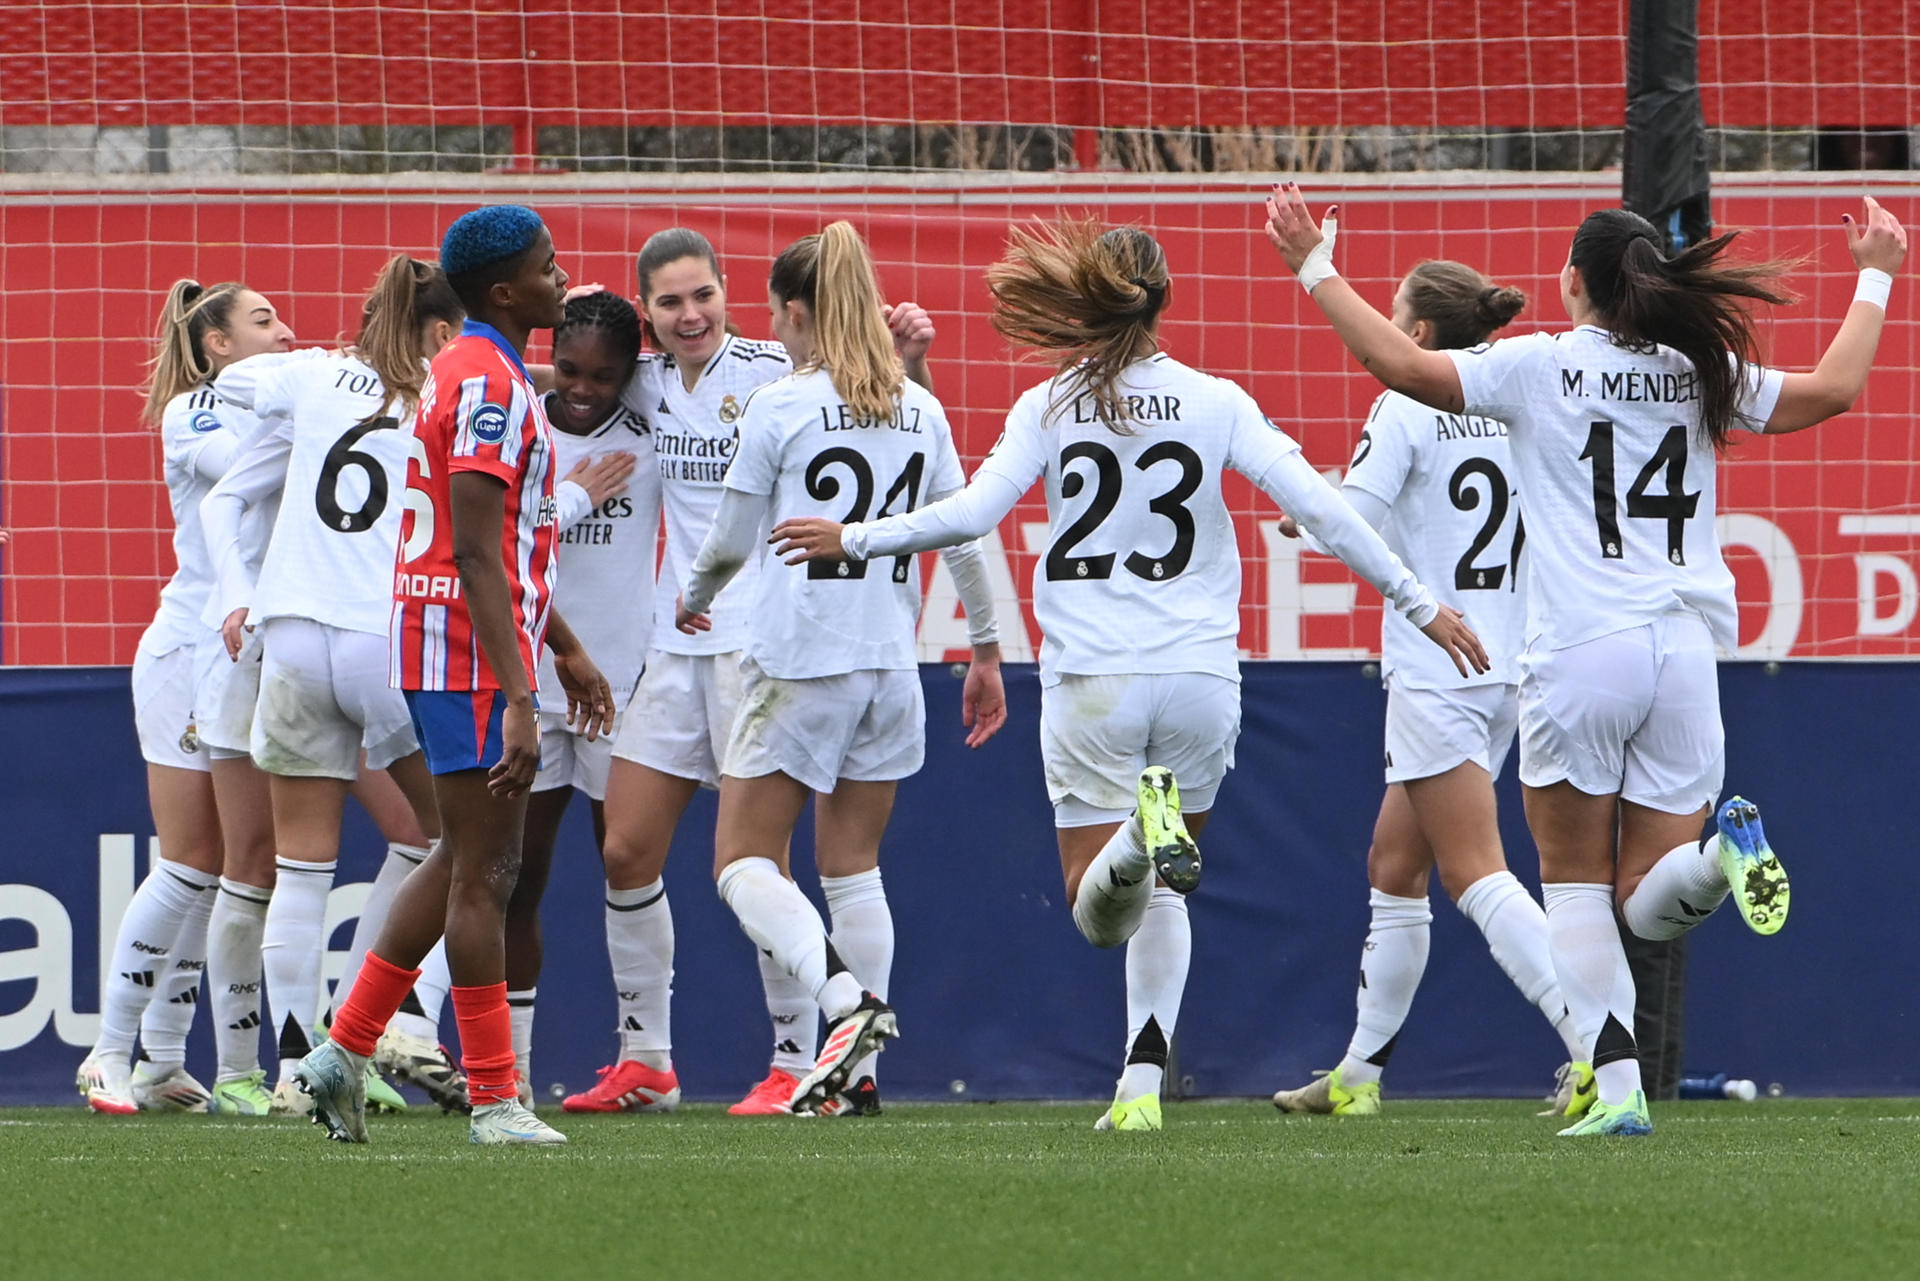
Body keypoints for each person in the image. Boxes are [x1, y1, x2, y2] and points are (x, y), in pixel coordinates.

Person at [772, 218, 1485, 1131]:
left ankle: (1138, 866)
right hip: (1199, 681)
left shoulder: (1051, 403)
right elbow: (1323, 507)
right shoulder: (1215, 398)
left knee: (1097, 909)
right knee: (1162, 890)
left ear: (1089, 296)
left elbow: (968, 513)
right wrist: (1423, 604)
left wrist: (855, 536)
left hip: (1094, 683)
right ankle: (1141, 1083)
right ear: (1164, 302)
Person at [1264, 181, 1906, 1135]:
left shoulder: (1538, 365)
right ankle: (1720, 865)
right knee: (1648, 899)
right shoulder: (1701, 369)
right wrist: (1876, 280)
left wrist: (1311, 263)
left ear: (1572, 282)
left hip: (1578, 649)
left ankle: (1617, 1092)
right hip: (1686, 650)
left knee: (1571, 884)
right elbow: (1834, 392)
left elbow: (1401, 362)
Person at [564, 228, 939, 1117]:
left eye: (703, 296)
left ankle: (795, 1058)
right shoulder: (644, 383)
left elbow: (891, 427)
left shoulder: (777, 370)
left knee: (756, 856)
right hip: (674, 639)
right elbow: (565, 380)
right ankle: (646, 1059)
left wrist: (910, 359)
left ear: (730, 295)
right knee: (624, 847)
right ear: (647, 313)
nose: (690, 315)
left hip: (761, 643)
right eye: (669, 302)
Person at [294, 205, 613, 1146]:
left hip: (463, 646)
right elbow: (475, 552)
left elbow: (504, 547)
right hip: (464, 655)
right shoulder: (487, 384)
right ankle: (495, 1099)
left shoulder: (480, 369)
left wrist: (563, 646)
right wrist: (522, 697)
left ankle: (342, 1051)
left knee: (457, 859)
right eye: (549, 269)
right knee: (490, 871)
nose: (565, 280)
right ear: (507, 291)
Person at [676, 220, 1006, 1116]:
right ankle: (856, 1085)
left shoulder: (781, 405)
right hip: (889, 663)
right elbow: (964, 535)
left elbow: (729, 541)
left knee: (742, 861)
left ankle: (844, 1005)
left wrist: (692, 595)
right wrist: (985, 648)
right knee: (853, 867)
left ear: (793, 313)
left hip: (800, 659)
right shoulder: (918, 405)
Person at [1263, 261, 1593, 1120]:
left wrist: (1311, 511)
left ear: (1414, 337)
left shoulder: (1406, 403)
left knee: (1473, 870)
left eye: (1396, 315)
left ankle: (1597, 1043)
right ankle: (1359, 1076)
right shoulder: (1521, 402)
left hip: (1437, 665)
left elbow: (1353, 520)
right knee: (1394, 863)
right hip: (1509, 663)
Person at [204, 254, 469, 1115]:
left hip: (290, 636)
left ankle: (292, 1070)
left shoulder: (313, 376)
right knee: (453, 842)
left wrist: (237, 591)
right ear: (439, 330)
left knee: (300, 867)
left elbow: (238, 375)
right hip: (378, 639)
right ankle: (374, 1024)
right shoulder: (449, 392)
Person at [76, 280, 293, 1114]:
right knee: (193, 859)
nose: (286, 332)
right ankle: (107, 1050)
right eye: (264, 321)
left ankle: (166, 1060)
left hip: (249, 652)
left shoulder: (285, 410)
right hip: (189, 648)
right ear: (218, 346)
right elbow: (243, 473)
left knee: (232, 868)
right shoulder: (193, 413)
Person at [513, 290, 656, 1102]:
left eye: (604, 375)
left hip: (624, 688)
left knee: (627, 864)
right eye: (568, 368)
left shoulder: (652, 430)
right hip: (529, 686)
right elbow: (502, 534)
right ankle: (513, 1071)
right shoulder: (522, 422)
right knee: (515, 875)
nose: (582, 387)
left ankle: (645, 1057)